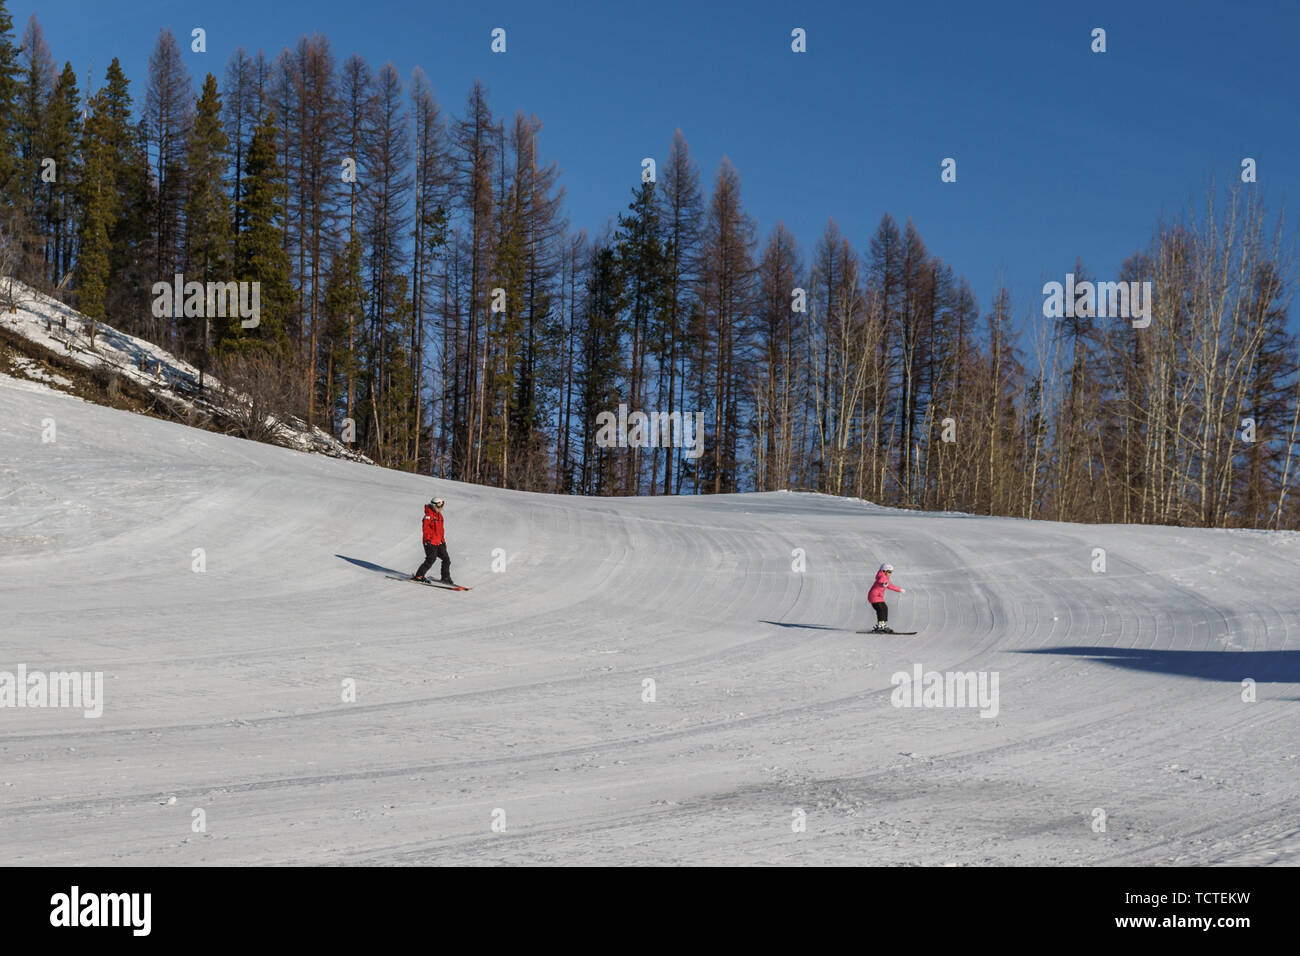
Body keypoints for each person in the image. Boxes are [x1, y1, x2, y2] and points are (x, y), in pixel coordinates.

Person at [413, 497, 454, 584]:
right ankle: (419, 576)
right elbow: (425, 529)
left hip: (439, 542)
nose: (440, 509)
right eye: (439, 507)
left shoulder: (440, 516)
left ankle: (445, 577)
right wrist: (428, 540)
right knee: (431, 559)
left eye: (441, 507)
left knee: (446, 559)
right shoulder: (428, 515)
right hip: (430, 542)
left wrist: (443, 541)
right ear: (433, 506)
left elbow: (441, 530)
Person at [868, 562, 904, 633]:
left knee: (884, 609)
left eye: (891, 572)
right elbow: (880, 581)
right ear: (884, 571)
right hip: (874, 597)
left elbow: (890, 586)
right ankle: (881, 627)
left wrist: (899, 589)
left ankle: (882, 626)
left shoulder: (884, 578)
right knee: (881, 609)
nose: (890, 574)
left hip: (878, 597)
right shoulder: (881, 576)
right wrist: (883, 583)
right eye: (889, 572)